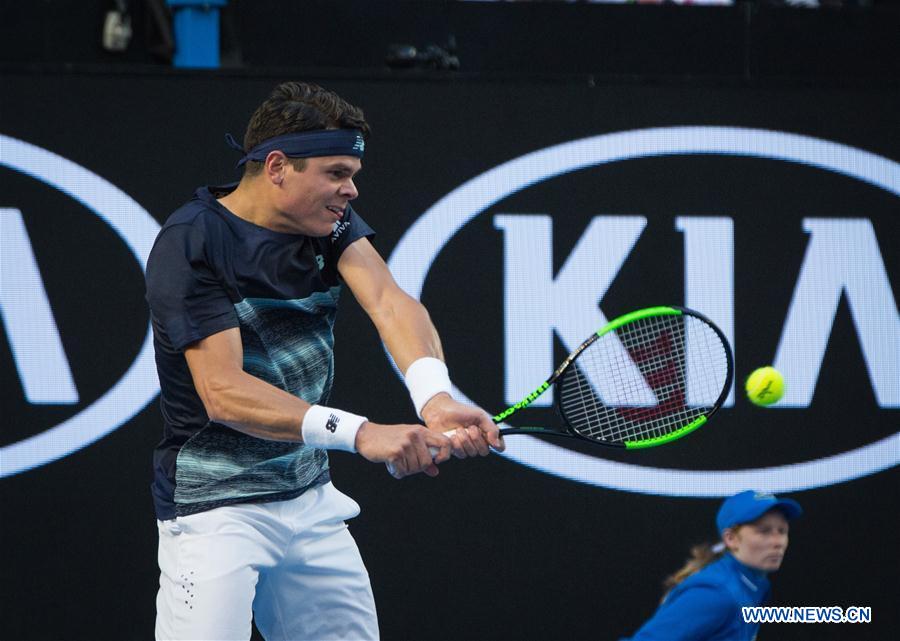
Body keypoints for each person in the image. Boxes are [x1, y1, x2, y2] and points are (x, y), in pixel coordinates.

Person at [145, 80, 504, 641]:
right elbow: (223, 392)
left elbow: (390, 302)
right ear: (279, 167)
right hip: (216, 512)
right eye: (337, 173)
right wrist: (361, 434)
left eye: (353, 175)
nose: (352, 190)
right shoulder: (192, 242)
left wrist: (434, 397)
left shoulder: (327, 225)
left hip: (308, 500)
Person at [622, 490, 802, 641]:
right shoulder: (716, 594)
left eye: (782, 531)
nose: (778, 542)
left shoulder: (756, 583)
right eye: (764, 531)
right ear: (730, 539)